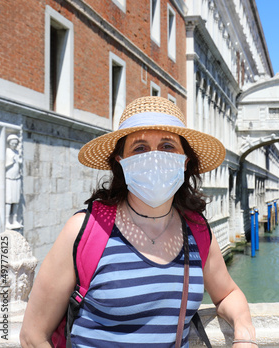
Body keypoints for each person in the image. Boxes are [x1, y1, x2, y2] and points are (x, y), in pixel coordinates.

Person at [20, 96, 257, 347]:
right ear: (121, 163)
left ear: (184, 162)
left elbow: (228, 293)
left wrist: (244, 332)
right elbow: (33, 335)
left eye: (167, 146)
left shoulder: (197, 231)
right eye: (140, 148)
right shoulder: (85, 230)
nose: (154, 157)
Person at [5, 133, 23, 229]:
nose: (14, 145)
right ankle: (7, 220)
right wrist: (11, 162)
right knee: (9, 200)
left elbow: (19, 166)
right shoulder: (7, 152)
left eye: (16, 143)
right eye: (13, 143)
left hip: (17, 178)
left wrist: (19, 162)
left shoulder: (17, 152)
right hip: (9, 178)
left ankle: (15, 219)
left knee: (16, 200)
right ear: (9, 143)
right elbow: (2, 166)